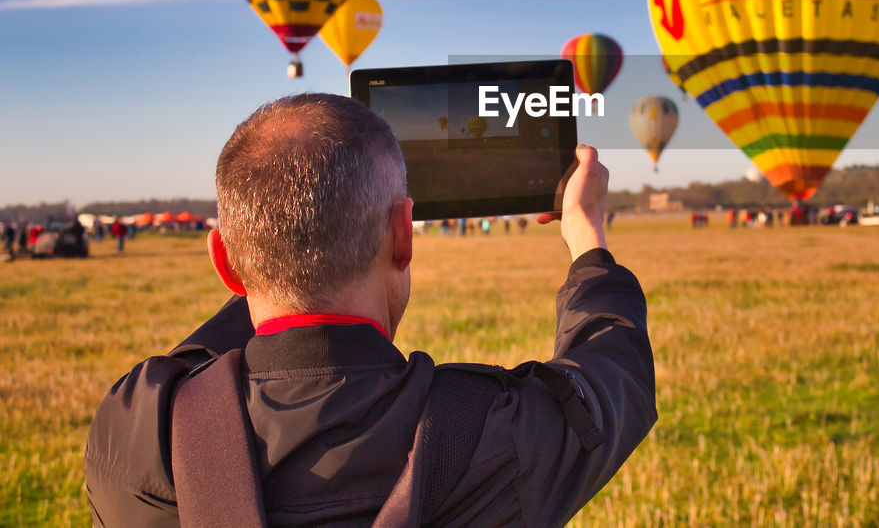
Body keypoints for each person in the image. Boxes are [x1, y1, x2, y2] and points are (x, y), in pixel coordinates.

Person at [85, 93, 656, 526]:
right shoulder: (483, 431)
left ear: (225, 264)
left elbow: (197, 354)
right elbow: (612, 380)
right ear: (403, 236)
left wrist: (274, 256)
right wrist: (587, 234)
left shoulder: (138, 429)